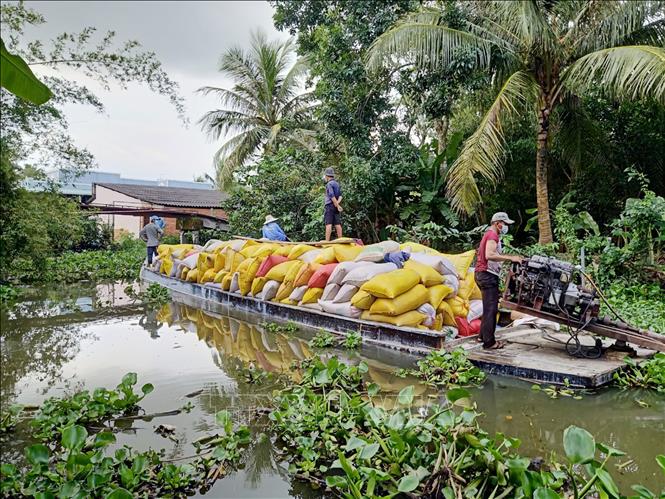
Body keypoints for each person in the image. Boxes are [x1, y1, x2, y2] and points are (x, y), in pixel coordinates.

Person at [475, 212, 522, 350]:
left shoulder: (489, 234)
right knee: (491, 309)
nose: (506, 226)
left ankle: (482, 336)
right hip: (487, 275)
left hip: (482, 274)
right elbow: (489, 255)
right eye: (505, 224)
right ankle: (489, 343)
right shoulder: (492, 235)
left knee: (488, 308)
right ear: (497, 223)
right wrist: (510, 258)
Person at [323, 167, 343, 241]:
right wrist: (337, 204)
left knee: (328, 223)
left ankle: (327, 241)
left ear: (327, 176)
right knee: (337, 223)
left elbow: (332, 195)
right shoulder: (337, 184)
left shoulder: (329, 184)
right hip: (335, 205)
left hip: (330, 206)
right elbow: (340, 196)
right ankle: (340, 240)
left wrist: (336, 205)